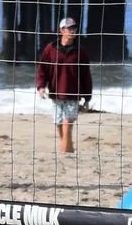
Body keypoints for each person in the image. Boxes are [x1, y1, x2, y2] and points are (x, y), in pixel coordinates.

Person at [33, 16, 94, 154]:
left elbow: (86, 76)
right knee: (59, 124)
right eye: (69, 28)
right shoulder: (51, 49)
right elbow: (43, 68)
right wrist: (41, 86)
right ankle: (68, 150)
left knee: (68, 123)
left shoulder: (80, 51)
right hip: (56, 93)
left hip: (73, 94)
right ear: (61, 30)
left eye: (74, 28)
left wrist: (87, 98)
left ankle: (64, 153)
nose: (73, 31)